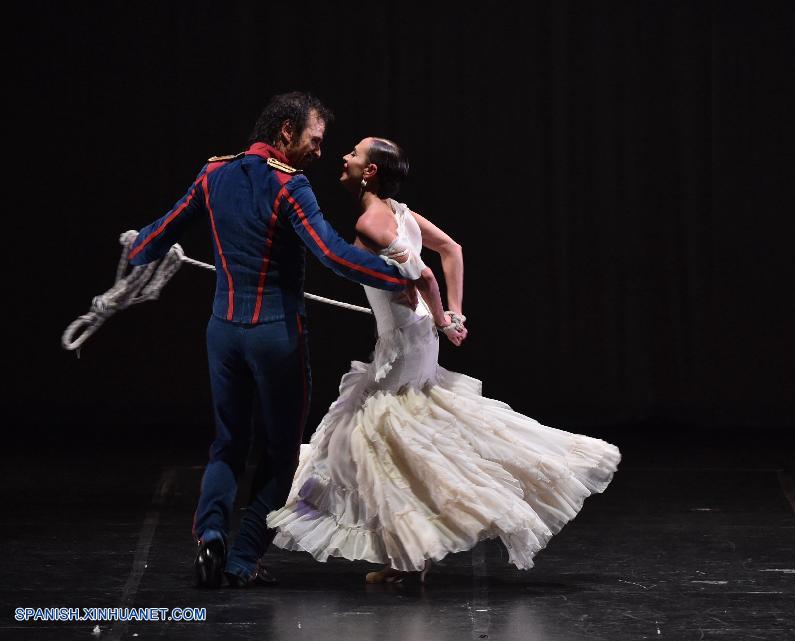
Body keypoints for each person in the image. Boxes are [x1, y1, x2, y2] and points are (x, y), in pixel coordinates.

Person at [266, 137, 621, 583]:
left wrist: (445, 319)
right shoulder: (398, 211)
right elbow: (452, 249)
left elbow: (426, 272)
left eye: (354, 154)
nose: (344, 158)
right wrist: (452, 312)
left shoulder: (375, 219)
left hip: (405, 341)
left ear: (370, 171)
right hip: (414, 335)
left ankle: (412, 551)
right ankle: (409, 555)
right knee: (402, 436)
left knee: (373, 437)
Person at [126, 92, 420, 588]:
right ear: (286, 132)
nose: (320, 152)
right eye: (314, 139)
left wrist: (137, 249)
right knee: (281, 453)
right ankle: (242, 559)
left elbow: (163, 230)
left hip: (223, 334)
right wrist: (400, 275)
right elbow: (331, 254)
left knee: (227, 444)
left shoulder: (213, 173)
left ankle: (211, 535)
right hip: (275, 337)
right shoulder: (290, 186)